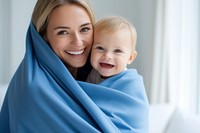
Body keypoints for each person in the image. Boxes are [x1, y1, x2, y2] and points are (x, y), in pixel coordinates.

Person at [0, 0, 149, 132]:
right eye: (63, 32)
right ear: (43, 36)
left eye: (84, 29)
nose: (77, 41)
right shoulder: (34, 90)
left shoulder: (97, 71)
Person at [87, 16, 138, 84]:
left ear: (130, 57)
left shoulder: (129, 82)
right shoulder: (93, 74)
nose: (107, 56)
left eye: (117, 51)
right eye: (100, 48)